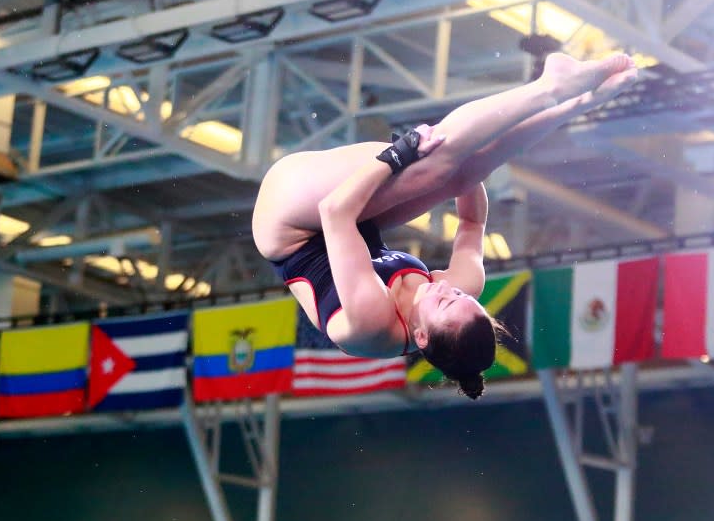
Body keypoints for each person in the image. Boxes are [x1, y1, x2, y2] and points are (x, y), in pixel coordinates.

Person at [253, 52, 638, 399]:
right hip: (350, 220)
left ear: (421, 337)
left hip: (290, 222)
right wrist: (469, 165)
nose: (449, 291)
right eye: (465, 298)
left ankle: (550, 87)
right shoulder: (458, 291)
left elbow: (334, 211)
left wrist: (394, 157)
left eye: (446, 303)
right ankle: (578, 102)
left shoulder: (369, 325)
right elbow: (472, 219)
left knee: (430, 167)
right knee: (458, 172)